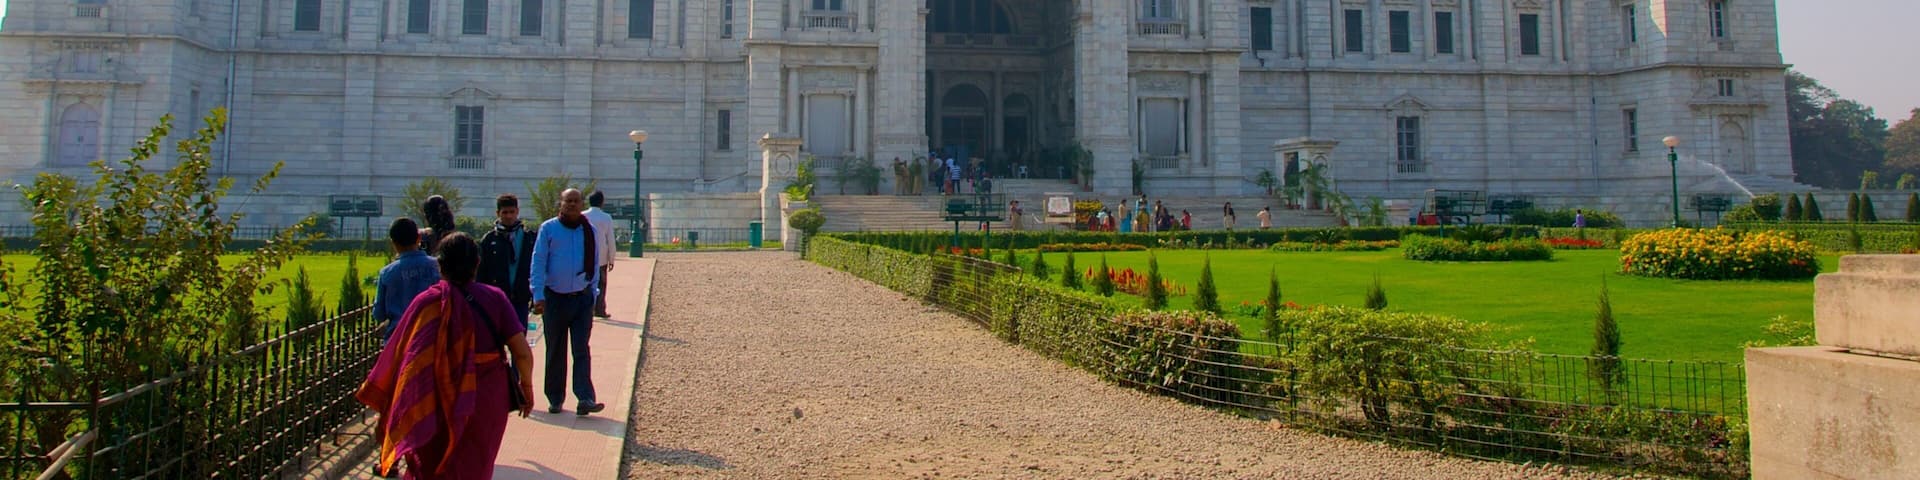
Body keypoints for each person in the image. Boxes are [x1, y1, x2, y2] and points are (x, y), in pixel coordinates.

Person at [357, 232, 535, 480]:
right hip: (484, 396)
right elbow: (522, 353)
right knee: (476, 463)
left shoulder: (426, 303)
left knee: (429, 464)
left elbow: (403, 357)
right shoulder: (495, 298)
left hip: (433, 396)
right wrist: (526, 386)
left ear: (440, 265)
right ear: (477, 263)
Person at [531, 189, 605, 416]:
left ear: (581, 204)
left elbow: (593, 266)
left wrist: (593, 293)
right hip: (554, 299)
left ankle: (585, 397)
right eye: (568, 201)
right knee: (556, 350)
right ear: (561, 204)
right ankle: (555, 398)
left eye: (576, 201)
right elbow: (539, 261)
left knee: (581, 349)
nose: (572, 205)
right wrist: (538, 294)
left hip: (581, 299)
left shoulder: (588, 230)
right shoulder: (549, 229)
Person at [479, 194, 538, 329]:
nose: (509, 216)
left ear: (517, 211)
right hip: (496, 299)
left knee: (519, 338)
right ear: (498, 213)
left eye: (512, 212)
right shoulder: (489, 240)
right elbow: (482, 272)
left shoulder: (529, 238)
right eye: (505, 212)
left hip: (521, 298)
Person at [375, 218, 440, 339]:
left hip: (397, 339)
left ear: (393, 242)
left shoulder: (387, 273)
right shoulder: (438, 267)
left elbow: (379, 313)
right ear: (419, 238)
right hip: (431, 338)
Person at [583, 191, 616, 318]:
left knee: (586, 283)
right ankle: (600, 309)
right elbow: (611, 240)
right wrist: (611, 258)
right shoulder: (606, 217)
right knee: (601, 284)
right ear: (602, 202)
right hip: (601, 256)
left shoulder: (583, 216)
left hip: (586, 256)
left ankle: (587, 309)